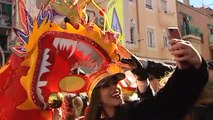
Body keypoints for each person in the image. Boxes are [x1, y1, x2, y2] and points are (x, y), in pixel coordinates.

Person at [83, 39, 208, 120]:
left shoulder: (136, 112)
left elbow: (166, 102)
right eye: (106, 85)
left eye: (115, 82)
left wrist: (192, 67)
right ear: (96, 96)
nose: (115, 87)